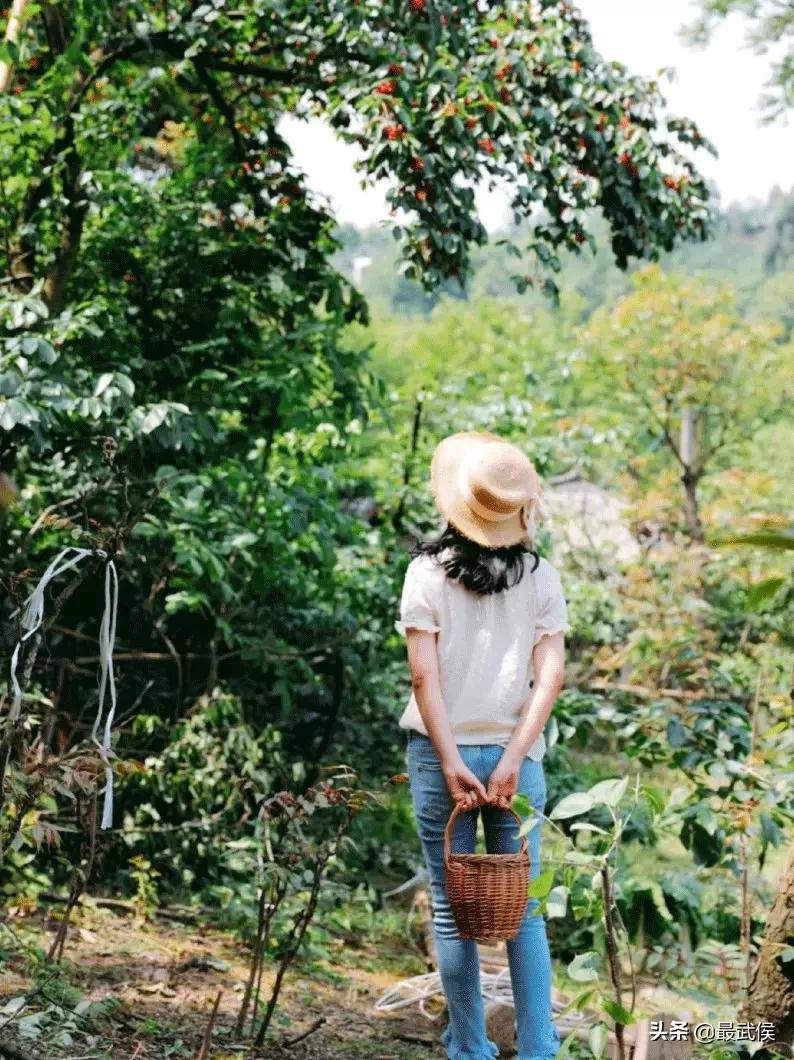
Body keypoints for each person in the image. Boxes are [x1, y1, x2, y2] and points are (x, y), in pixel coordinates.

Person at [396, 430, 568, 1060]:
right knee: (524, 911)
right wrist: (515, 758)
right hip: (515, 762)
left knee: (450, 908)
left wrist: (447, 760)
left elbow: (424, 676)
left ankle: (469, 1045)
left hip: (442, 757)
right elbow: (550, 677)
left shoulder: (424, 574)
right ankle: (541, 1047)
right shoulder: (542, 576)